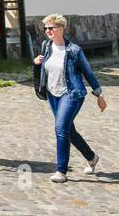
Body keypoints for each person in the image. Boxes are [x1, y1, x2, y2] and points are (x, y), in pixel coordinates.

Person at [35, 14, 106, 182]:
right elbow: (44, 68)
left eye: (50, 28)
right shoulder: (46, 46)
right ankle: (91, 157)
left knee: (60, 128)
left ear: (61, 28)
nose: (47, 31)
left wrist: (99, 94)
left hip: (72, 94)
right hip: (53, 94)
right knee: (69, 130)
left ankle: (61, 171)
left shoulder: (74, 51)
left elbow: (88, 73)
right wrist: (36, 62)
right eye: (45, 29)